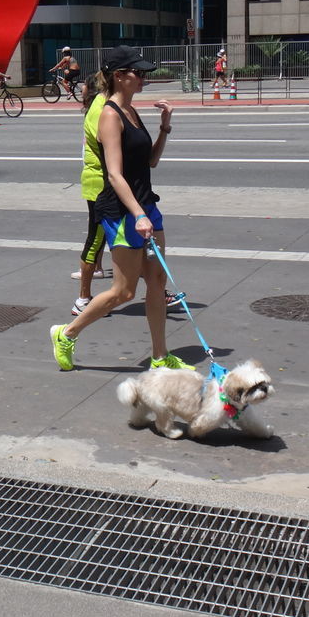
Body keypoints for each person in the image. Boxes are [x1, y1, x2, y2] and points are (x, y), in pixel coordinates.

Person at [50, 45, 192, 372]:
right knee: (124, 291)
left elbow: (150, 161)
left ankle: (160, 357)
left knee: (156, 283)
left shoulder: (131, 110)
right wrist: (138, 215)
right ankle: (67, 334)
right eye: (137, 73)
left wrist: (165, 126)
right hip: (123, 211)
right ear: (119, 76)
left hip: (146, 205)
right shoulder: (110, 114)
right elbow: (114, 173)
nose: (143, 78)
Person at [71, 71, 111, 316]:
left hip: (104, 183)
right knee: (95, 238)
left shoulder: (104, 105)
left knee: (127, 241)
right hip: (100, 185)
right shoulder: (100, 108)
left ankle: (158, 291)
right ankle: (83, 298)